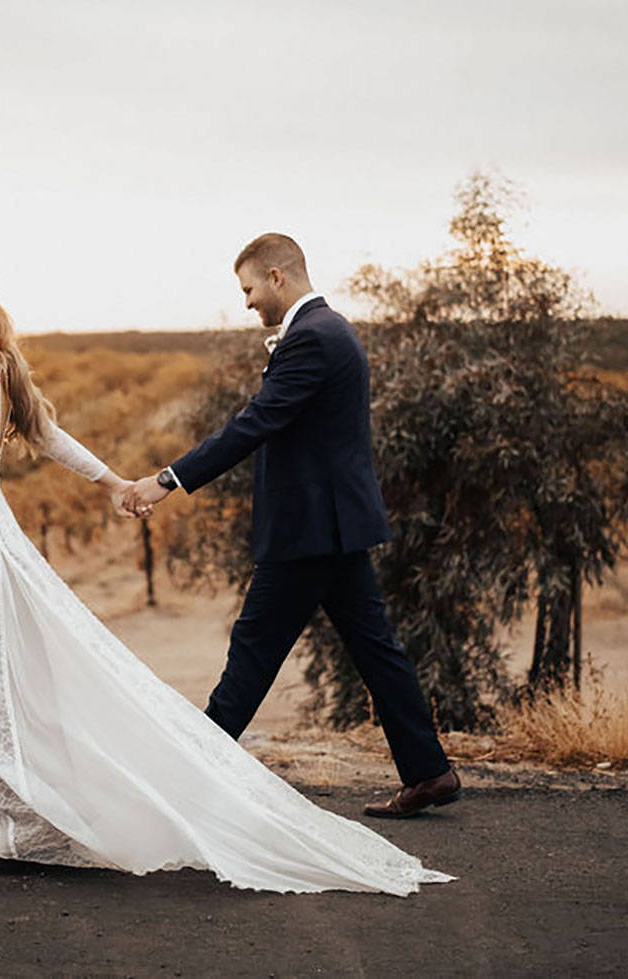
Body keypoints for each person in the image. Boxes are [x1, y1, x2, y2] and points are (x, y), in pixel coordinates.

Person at [0, 245, 451, 895]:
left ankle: (172, 787)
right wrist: (119, 480)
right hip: (8, 529)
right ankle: (425, 767)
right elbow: (48, 436)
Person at [122, 233, 461, 819]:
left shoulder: (312, 338)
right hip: (332, 526)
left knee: (252, 652)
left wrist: (168, 479)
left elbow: (254, 424)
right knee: (375, 650)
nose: (248, 302)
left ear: (278, 277)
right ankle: (429, 772)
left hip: (308, 529)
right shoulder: (331, 331)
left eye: (249, 288)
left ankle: (189, 776)